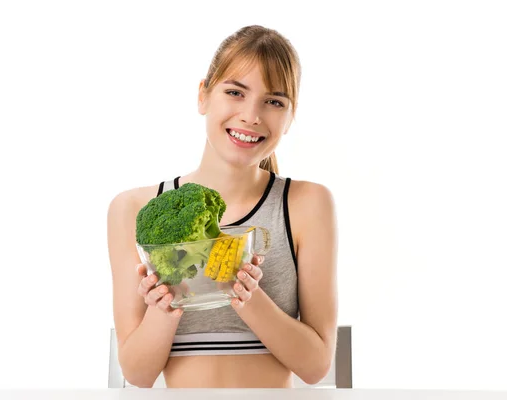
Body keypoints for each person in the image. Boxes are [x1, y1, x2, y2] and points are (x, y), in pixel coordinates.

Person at [107, 25, 338, 388]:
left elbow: (316, 366)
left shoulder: (306, 204)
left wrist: (246, 295)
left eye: (274, 101)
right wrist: (164, 309)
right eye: (235, 92)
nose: (251, 115)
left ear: (290, 117)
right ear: (203, 96)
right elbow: (137, 374)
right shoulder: (132, 208)